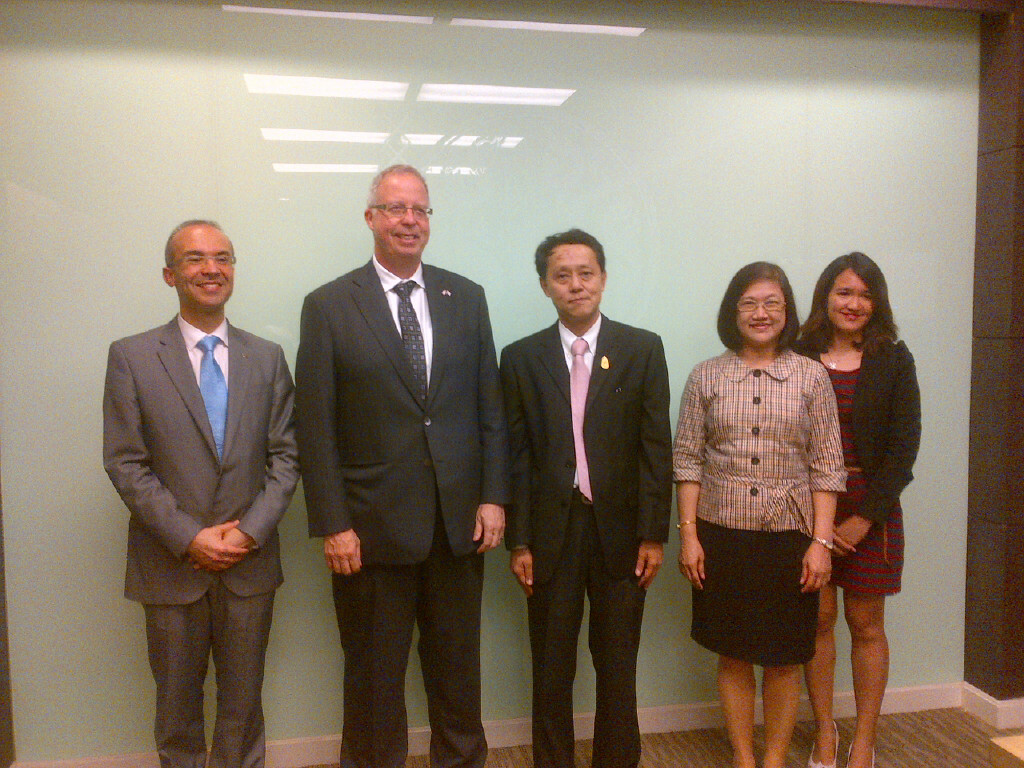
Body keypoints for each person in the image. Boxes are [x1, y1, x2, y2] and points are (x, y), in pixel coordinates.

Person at [294, 164, 509, 768]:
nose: (409, 220)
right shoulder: (329, 305)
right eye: (395, 208)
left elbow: (489, 406)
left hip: (457, 526)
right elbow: (315, 425)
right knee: (373, 680)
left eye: (420, 209)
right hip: (369, 532)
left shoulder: (466, 297)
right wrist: (334, 524)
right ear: (371, 218)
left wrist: (494, 498)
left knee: (458, 673)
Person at [102, 220, 299, 768]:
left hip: (248, 562)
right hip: (170, 564)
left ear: (233, 270)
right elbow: (125, 461)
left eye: (223, 258)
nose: (211, 269)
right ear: (170, 274)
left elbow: (287, 458)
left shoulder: (268, 357)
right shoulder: (132, 356)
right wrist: (189, 536)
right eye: (194, 258)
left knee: (244, 705)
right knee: (176, 708)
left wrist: (247, 533)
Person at [500, 229, 673, 768]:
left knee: (618, 664)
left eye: (586, 273)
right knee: (551, 666)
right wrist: (519, 540)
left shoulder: (642, 348)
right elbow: (515, 455)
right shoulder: (521, 358)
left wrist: (653, 535)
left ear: (603, 278)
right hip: (550, 533)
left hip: (621, 532)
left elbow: (655, 448)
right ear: (545, 286)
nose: (575, 285)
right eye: (562, 275)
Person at [673, 262, 846, 768]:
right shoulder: (705, 375)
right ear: (733, 312)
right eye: (748, 303)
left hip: (789, 538)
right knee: (733, 654)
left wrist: (821, 543)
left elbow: (827, 466)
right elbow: (687, 459)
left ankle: (773, 761)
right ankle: (744, 759)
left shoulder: (811, 376)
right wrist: (689, 536)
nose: (760, 313)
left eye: (772, 302)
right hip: (721, 534)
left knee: (784, 659)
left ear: (787, 311)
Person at [798, 253, 921, 768]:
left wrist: (864, 517)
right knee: (818, 620)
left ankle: (864, 739)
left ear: (877, 303)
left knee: (866, 623)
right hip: (807, 507)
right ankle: (824, 732)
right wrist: (820, 521)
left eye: (865, 295)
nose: (853, 303)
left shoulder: (894, 358)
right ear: (826, 297)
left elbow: (904, 448)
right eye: (844, 292)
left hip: (872, 508)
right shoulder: (798, 354)